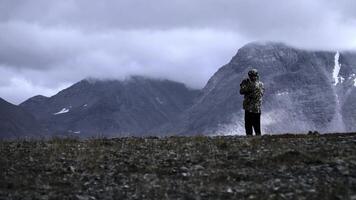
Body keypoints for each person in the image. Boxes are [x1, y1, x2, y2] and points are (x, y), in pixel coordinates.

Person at [239, 69, 264, 136]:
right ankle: (258, 141)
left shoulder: (251, 85)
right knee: (257, 127)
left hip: (250, 109)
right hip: (257, 109)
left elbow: (241, 91)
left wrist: (243, 84)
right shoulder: (261, 84)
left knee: (248, 126)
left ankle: (250, 142)